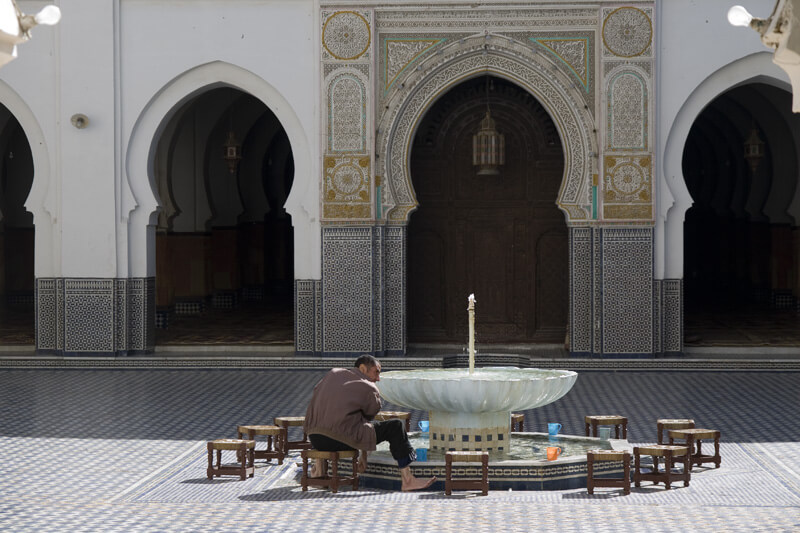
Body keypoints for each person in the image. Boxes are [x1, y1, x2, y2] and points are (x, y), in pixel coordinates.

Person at [303, 354, 435, 491]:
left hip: (315, 439)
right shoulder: (368, 387)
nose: (378, 378)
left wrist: (363, 454)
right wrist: (364, 454)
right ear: (363, 368)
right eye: (376, 372)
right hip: (338, 440)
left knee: (329, 423)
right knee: (395, 426)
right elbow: (368, 418)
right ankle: (408, 480)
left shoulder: (333, 374)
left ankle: (319, 473)